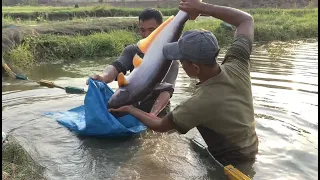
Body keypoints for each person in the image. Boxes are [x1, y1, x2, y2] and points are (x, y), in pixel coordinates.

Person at [109, 0, 259, 173]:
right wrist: (201, 7)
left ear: (195, 67)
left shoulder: (199, 103)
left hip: (230, 163)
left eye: (181, 59)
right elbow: (246, 20)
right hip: (251, 147)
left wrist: (129, 109)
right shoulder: (237, 63)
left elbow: (159, 125)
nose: (178, 61)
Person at [89, 8, 179, 117]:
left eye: (152, 30)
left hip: (158, 110)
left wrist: (153, 114)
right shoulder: (132, 50)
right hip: (133, 107)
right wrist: (103, 77)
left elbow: (166, 92)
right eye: (142, 30)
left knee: (156, 133)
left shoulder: (169, 59)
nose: (146, 34)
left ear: (161, 29)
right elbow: (116, 66)